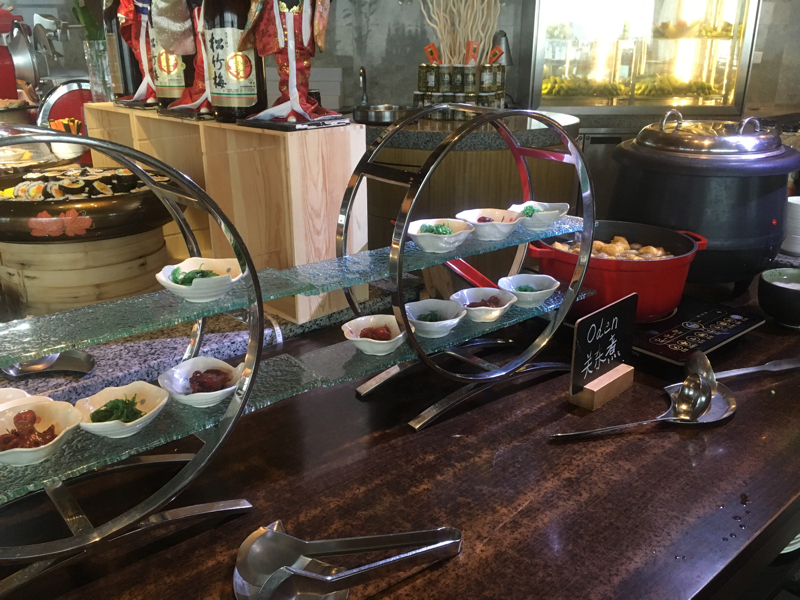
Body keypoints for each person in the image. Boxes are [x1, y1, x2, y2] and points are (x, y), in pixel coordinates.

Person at [238, 0, 338, 122]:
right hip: (279, 11)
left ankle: (299, 102)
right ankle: (288, 101)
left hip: (302, 11)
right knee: (284, 58)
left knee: (301, 57)